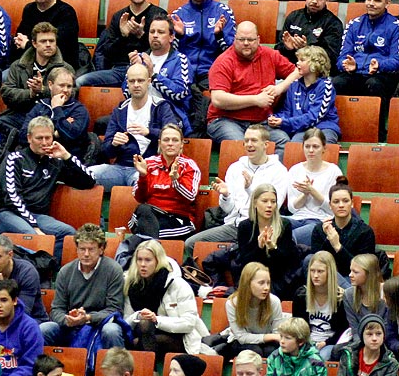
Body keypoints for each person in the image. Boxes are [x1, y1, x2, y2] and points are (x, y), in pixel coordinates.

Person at [0, 116, 96, 260]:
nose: (44, 142)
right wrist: (35, 226)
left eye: (48, 138)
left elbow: (89, 181)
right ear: (29, 138)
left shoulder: (55, 161)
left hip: (38, 215)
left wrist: (66, 156)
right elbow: (12, 198)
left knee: (68, 233)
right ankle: (37, 268)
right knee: (33, 237)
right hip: (8, 214)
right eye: (39, 138)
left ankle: (48, 267)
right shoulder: (14, 159)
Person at [183, 124, 288, 259]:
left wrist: (250, 188)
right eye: (246, 141)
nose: (249, 144)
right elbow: (229, 209)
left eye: (254, 140)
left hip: (259, 228)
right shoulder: (235, 168)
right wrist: (225, 196)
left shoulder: (279, 171)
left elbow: (273, 208)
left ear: (266, 144)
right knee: (191, 244)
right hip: (234, 226)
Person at [122, 241, 211, 376]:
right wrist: (138, 315)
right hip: (147, 336)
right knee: (141, 328)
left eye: (148, 260)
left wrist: (157, 320)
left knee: (145, 327)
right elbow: (126, 321)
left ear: (158, 261)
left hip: (179, 338)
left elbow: (189, 323)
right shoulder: (131, 284)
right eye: (139, 259)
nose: (142, 264)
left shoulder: (177, 284)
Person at [206, 21, 297, 149]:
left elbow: (298, 71)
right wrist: (255, 100)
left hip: (261, 122)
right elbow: (218, 99)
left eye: (250, 39)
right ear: (234, 39)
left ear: (258, 39)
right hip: (226, 120)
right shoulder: (223, 62)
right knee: (242, 145)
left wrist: (279, 88)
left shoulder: (270, 55)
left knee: (283, 141)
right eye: (242, 39)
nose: (246, 43)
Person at [89, 63, 175, 191]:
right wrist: (114, 143)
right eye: (132, 81)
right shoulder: (120, 110)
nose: (136, 85)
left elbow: (173, 136)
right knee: (84, 174)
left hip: (149, 168)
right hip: (120, 168)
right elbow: (106, 150)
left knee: (141, 184)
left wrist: (148, 132)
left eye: (140, 81)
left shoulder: (161, 106)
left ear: (148, 82)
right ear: (127, 83)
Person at [42, 224, 125, 350]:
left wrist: (88, 318)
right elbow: (56, 310)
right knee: (44, 329)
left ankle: (117, 368)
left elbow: (114, 310)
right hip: (71, 326)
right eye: (82, 249)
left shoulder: (113, 270)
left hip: (100, 325)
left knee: (112, 330)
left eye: (91, 249)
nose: (86, 254)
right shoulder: (65, 272)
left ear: (101, 249)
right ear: (77, 249)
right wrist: (68, 319)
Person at [81, 0, 167, 88]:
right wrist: (123, 35)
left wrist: (142, 35)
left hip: (147, 70)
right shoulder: (118, 17)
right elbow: (107, 53)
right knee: (80, 81)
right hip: (119, 70)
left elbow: (164, 48)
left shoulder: (159, 15)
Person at [333, 0, 399, 101]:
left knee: (373, 84)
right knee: (337, 83)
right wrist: (346, 64)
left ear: (387, 3)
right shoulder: (354, 24)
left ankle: (378, 119)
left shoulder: (397, 27)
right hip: (355, 72)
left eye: (377, 0)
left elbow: (397, 62)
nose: (371, 3)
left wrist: (379, 65)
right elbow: (341, 58)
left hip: (382, 75)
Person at [128, 123, 201, 241]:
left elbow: (190, 196)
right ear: (160, 143)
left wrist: (176, 181)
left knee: (142, 234)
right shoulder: (148, 163)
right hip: (150, 215)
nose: (170, 143)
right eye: (166, 140)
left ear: (181, 144)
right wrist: (143, 176)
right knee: (143, 209)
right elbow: (139, 198)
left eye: (175, 140)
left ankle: (148, 245)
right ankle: (152, 247)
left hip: (178, 220)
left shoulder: (189, 166)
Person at [0, 22, 72, 137]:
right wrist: (31, 93)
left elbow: (72, 94)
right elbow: (7, 94)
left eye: (51, 41)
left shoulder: (65, 68)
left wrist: (43, 90)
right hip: (21, 114)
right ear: (34, 43)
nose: (48, 45)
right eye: (43, 41)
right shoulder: (18, 66)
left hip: (50, 116)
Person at [203, 262, 287, 360]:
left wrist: (271, 338)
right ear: (247, 283)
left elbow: (277, 335)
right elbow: (241, 337)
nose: (266, 288)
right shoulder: (233, 303)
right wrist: (269, 336)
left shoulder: (274, 301)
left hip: (269, 342)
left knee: (271, 351)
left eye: (268, 283)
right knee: (255, 351)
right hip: (242, 342)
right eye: (261, 283)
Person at [169, 0, 237, 87]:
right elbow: (170, 52)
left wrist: (219, 35)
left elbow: (232, 50)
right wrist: (179, 36)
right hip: (184, 72)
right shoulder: (178, 15)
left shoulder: (223, 12)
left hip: (214, 71)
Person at [129, 16, 194, 136]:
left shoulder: (180, 60)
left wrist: (153, 75)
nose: (155, 35)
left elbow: (180, 93)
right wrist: (134, 72)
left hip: (169, 114)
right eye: (152, 31)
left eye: (160, 32)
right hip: (138, 111)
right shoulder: (139, 58)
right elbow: (127, 92)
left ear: (171, 37)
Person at [237, 184, 301, 299]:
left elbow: (286, 263)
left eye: (273, 201)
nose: (269, 205)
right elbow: (244, 262)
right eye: (265, 201)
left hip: (277, 280)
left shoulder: (284, 225)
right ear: (255, 203)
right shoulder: (245, 227)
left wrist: (273, 248)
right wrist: (259, 247)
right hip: (253, 280)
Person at [20, 67, 93, 164]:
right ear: (50, 85)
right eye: (61, 85)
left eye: (69, 86)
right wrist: (54, 134)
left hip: (65, 163)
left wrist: (57, 109)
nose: (66, 90)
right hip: (35, 161)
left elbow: (71, 136)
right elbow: (23, 136)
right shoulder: (40, 106)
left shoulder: (79, 110)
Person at [12, 0, 81, 71]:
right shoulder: (29, 9)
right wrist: (20, 42)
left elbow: (54, 46)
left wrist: (27, 45)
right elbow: (20, 37)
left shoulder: (66, 12)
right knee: (4, 78)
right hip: (30, 65)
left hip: (59, 67)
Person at [271, 50, 339, 148]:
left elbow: (315, 117)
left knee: (319, 144)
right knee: (295, 145)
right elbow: (287, 111)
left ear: (314, 65)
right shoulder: (293, 85)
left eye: (302, 60)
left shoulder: (325, 86)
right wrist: (277, 118)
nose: (297, 63)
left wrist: (286, 122)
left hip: (323, 127)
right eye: (298, 60)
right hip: (301, 129)